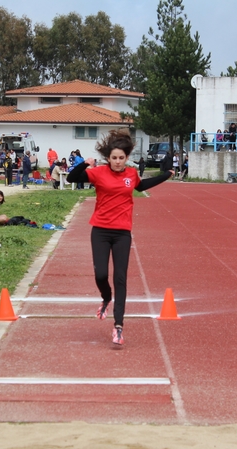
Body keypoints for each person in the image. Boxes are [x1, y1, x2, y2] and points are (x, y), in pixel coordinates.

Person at [66, 129, 174, 346]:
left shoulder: (131, 174)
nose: (117, 162)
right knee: (101, 274)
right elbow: (72, 177)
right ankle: (106, 298)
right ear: (108, 158)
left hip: (122, 233)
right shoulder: (98, 173)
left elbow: (142, 186)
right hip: (100, 231)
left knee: (120, 278)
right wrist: (85, 164)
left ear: (126, 158)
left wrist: (166, 175)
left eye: (121, 158)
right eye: (114, 158)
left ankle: (118, 326)